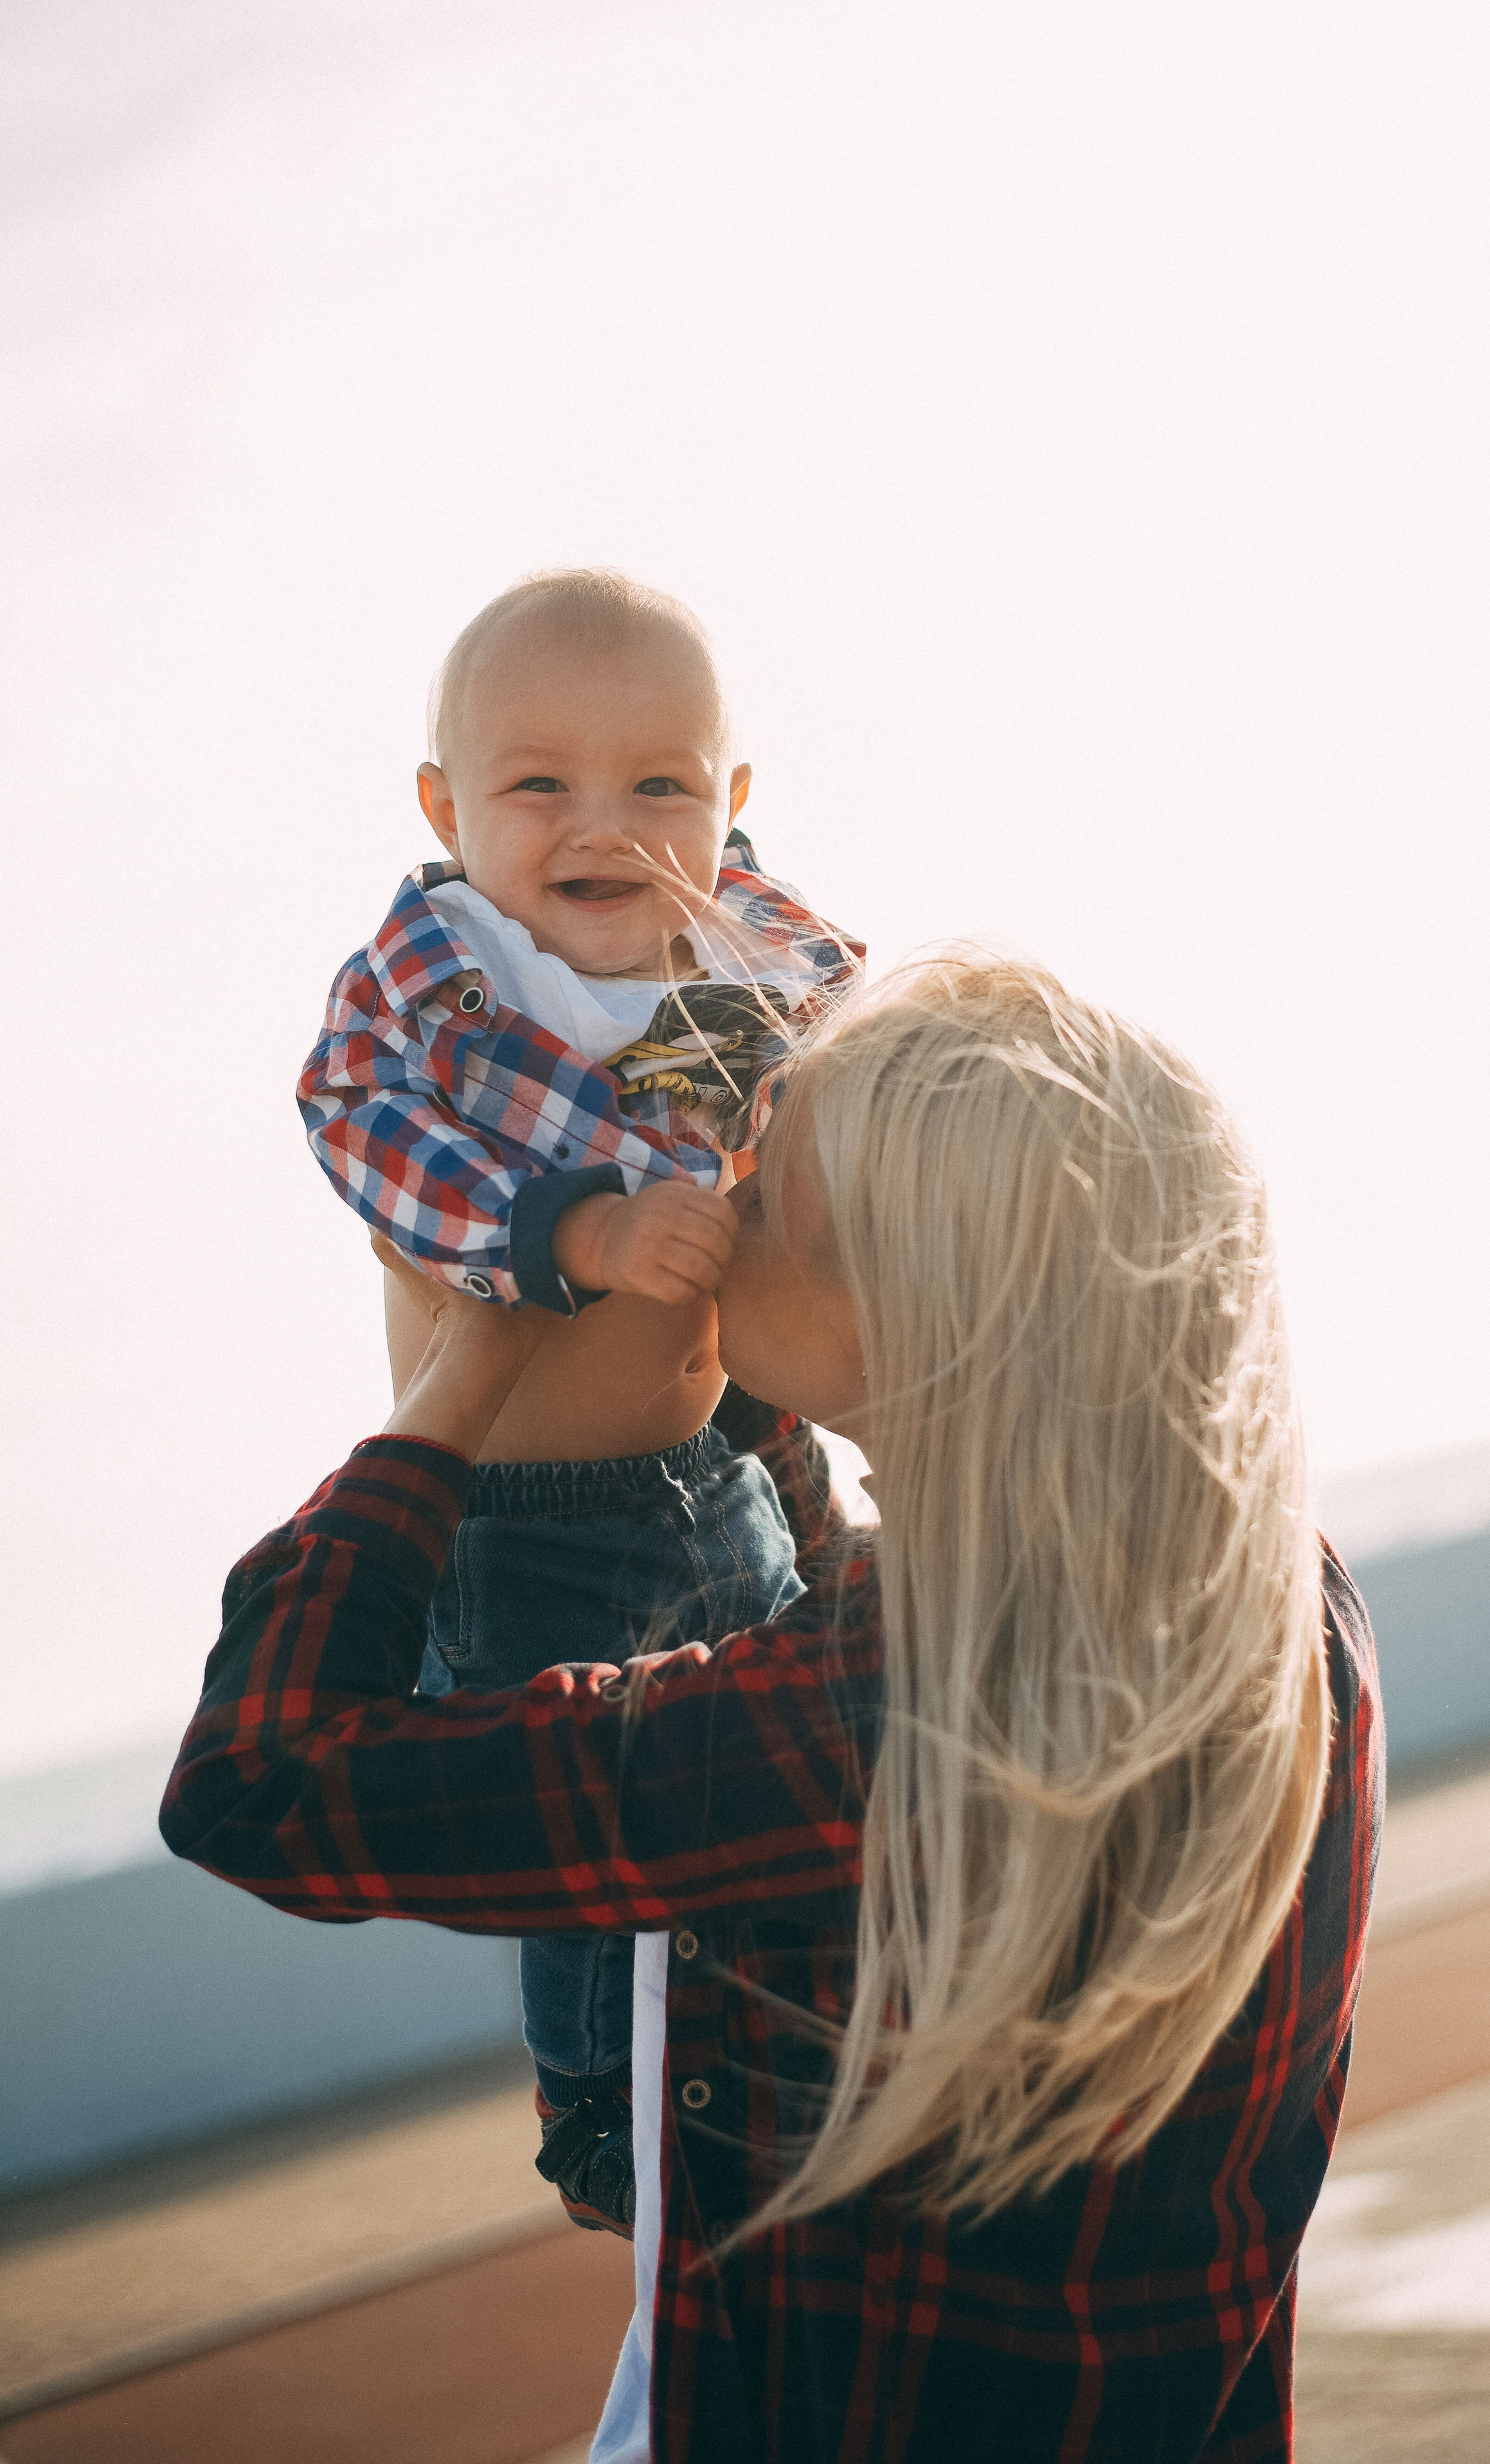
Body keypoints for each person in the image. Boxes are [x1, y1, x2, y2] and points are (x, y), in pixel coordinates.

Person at [166, 953, 1383, 2463]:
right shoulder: (1279, 1604)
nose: (712, 1206)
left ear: (909, 1316)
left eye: (761, 1199)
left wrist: (453, 1387)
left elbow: (262, 1783)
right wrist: (712, 1389)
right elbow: (866, 1598)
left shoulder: (866, 1727)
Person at [296, 567, 863, 2231]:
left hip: (717, 1470)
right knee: (597, 1841)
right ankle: (603, 2108)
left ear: (729, 800)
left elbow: (859, 1043)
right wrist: (577, 1230)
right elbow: (360, 1131)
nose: (603, 825)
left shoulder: (746, 955)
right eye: (539, 783)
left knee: (779, 1772)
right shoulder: (436, 984)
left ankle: (805, 2036)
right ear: (445, 808)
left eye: (660, 785)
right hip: (528, 1520)